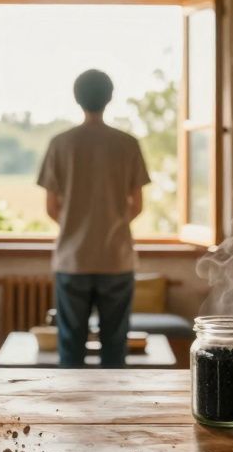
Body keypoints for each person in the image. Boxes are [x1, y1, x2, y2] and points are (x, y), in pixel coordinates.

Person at [37, 69, 150, 368]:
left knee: (71, 345)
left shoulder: (60, 143)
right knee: (115, 345)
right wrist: (110, 224)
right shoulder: (127, 144)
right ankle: (113, 411)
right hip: (117, 259)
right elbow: (137, 205)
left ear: (77, 98)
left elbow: (51, 207)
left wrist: (77, 227)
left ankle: (72, 411)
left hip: (72, 260)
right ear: (110, 98)